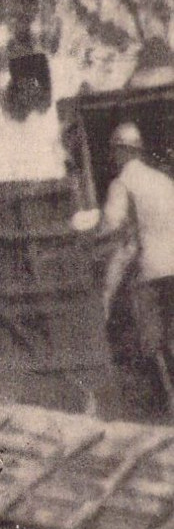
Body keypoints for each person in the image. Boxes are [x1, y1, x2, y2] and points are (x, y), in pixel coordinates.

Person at [97, 122, 174, 413]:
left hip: (149, 270)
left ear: (120, 151)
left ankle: (164, 405)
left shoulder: (122, 183)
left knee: (151, 338)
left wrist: (93, 231)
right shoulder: (164, 181)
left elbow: (113, 227)